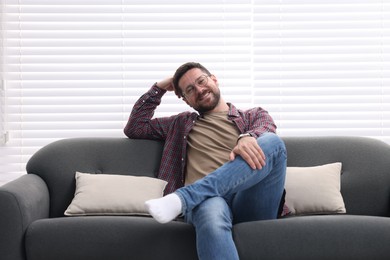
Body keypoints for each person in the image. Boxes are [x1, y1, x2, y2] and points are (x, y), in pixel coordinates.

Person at [124, 62, 287, 260]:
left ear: (214, 79)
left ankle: (184, 198)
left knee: (273, 142)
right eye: (190, 90)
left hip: (249, 198)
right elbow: (135, 127)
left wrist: (247, 136)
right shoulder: (179, 124)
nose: (200, 90)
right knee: (210, 213)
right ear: (186, 100)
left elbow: (266, 129)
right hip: (208, 202)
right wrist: (160, 87)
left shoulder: (253, 115)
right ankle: (193, 197)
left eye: (201, 81)